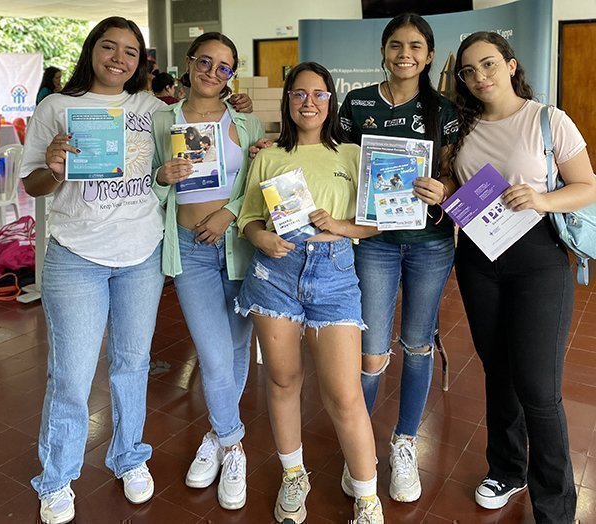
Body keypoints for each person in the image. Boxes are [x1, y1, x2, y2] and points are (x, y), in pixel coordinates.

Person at [20, 17, 168, 524]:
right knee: (72, 375)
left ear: (140, 61)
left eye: (131, 52)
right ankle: (57, 477)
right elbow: (34, 186)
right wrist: (54, 167)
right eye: (110, 47)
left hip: (141, 253)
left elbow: (196, 135)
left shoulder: (152, 109)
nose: (119, 59)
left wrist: (240, 118)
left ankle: (129, 456)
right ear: (92, 50)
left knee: (132, 365)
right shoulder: (56, 107)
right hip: (75, 256)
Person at [449, 31, 596, 524]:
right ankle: (507, 469)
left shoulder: (547, 120)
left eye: (488, 65)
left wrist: (542, 199)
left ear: (511, 65)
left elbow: (586, 186)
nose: (479, 77)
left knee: (538, 386)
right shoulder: (462, 128)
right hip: (477, 255)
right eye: (468, 71)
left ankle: (554, 506)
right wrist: (441, 190)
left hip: (537, 258)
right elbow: (459, 185)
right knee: (499, 370)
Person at [236, 61, 384, 524]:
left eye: (319, 94)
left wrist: (338, 225)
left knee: (344, 395)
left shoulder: (353, 155)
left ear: (331, 102)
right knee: (282, 381)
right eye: (299, 94)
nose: (309, 102)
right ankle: (294, 474)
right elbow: (248, 218)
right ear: (288, 100)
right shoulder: (267, 156)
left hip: (335, 271)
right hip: (274, 272)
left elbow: (378, 221)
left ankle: (366, 497)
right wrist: (261, 238)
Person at [338, 13, 458, 503]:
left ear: (429, 55)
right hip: (376, 244)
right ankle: (360, 446)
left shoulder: (443, 108)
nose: (404, 53)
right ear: (384, 51)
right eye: (395, 45)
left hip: (430, 244)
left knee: (416, 344)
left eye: (414, 46)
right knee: (371, 351)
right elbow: (336, 161)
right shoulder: (357, 103)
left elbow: (457, 172)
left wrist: (444, 187)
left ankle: (404, 441)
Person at [151, 31, 264, 511]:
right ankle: (232, 443)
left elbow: (260, 189)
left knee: (237, 347)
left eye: (224, 66)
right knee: (214, 354)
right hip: (191, 251)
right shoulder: (162, 120)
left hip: (238, 248)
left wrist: (230, 213)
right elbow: (146, 183)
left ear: (231, 74)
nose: (213, 72)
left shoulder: (246, 120)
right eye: (206, 61)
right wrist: (162, 177)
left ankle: (216, 438)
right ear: (190, 62)